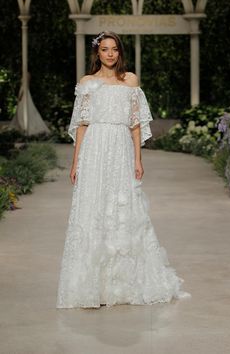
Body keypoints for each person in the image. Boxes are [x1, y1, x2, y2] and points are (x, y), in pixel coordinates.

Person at [56, 31, 191, 309]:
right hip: (94, 149)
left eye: (114, 49)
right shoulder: (87, 83)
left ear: (119, 52)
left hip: (120, 148)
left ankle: (123, 282)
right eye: (104, 49)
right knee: (93, 208)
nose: (109, 54)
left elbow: (135, 124)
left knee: (122, 207)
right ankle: (91, 285)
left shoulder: (130, 80)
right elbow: (82, 124)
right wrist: (75, 160)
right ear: (97, 53)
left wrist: (138, 160)